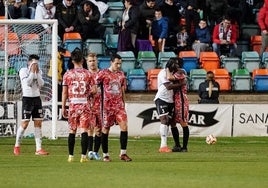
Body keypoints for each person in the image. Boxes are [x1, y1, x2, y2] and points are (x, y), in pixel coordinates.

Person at [62, 49, 97, 163]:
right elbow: (95, 90)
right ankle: (83, 156)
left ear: (72, 60)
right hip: (84, 105)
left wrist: (63, 107)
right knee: (84, 130)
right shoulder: (88, 74)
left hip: (72, 104)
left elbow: (64, 92)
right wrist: (89, 93)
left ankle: (71, 156)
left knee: (72, 130)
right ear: (82, 60)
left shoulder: (68, 74)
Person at [96, 53, 132, 162]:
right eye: (117, 63)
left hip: (119, 106)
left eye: (120, 64)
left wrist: (124, 102)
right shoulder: (103, 73)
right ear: (111, 62)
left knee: (124, 126)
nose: (119, 66)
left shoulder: (121, 74)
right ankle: (105, 155)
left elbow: (122, 89)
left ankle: (123, 153)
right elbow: (95, 86)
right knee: (106, 129)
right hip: (107, 107)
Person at [13, 54, 49, 156]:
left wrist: (36, 74)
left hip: (37, 99)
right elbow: (27, 82)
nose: (35, 64)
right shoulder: (23, 71)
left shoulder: (39, 71)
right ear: (29, 62)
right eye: (33, 62)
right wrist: (33, 72)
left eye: (37, 63)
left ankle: (38, 149)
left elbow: (41, 83)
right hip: (27, 99)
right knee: (25, 123)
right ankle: (17, 145)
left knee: (38, 123)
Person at [154, 57, 186, 153]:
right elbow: (168, 86)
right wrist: (181, 84)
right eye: (176, 64)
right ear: (171, 64)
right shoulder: (163, 73)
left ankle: (177, 145)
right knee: (164, 119)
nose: (177, 66)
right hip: (161, 98)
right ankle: (163, 146)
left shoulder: (175, 74)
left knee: (172, 122)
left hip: (171, 100)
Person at [166, 57, 189, 152]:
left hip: (181, 99)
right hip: (174, 99)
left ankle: (184, 146)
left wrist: (167, 69)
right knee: (172, 122)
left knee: (183, 122)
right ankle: (177, 145)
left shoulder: (180, 72)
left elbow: (169, 78)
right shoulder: (176, 72)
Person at [86, 52, 102, 160]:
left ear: (97, 61)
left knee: (99, 129)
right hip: (88, 105)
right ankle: (90, 151)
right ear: (87, 62)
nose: (92, 63)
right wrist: (89, 92)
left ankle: (96, 151)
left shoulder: (101, 74)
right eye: (90, 61)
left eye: (94, 60)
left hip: (100, 104)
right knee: (89, 128)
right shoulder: (85, 74)